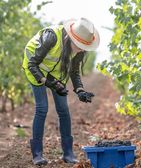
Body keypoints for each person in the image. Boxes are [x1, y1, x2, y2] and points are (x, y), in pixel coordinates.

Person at [22, 18, 100, 165]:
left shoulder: (79, 49)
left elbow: (74, 71)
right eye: (79, 46)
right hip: (35, 70)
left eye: (84, 46)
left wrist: (80, 90)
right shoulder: (51, 37)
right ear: (69, 38)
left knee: (63, 110)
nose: (82, 49)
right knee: (42, 108)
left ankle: (68, 153)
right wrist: (47, 82)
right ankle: (37, 154)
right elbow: (33, 64)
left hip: (54, 74)